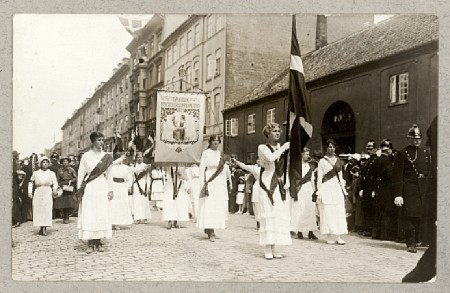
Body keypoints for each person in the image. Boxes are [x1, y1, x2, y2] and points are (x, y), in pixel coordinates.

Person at [77, 131, 125, 254]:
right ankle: (90, 243)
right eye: (99, 140)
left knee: (101, 213)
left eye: (102, 140)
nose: (101, 142)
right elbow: (80, 174)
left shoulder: (106, 157)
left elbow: (109, 174)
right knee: (89, 213)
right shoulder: (85, 156)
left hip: (102, 186)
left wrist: (110, 190)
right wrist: (79, 190)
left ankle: (98, 242)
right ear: (92, 141)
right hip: (90, 186)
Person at [392, 124, 431, 253]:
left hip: (422, 188)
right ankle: (411, 243)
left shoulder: (425, 152)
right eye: (414, 138)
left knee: (420, 216)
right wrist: (398, 194)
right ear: (408, 139)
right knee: (409, 216)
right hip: (409, 189)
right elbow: (397, 176)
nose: (417, 141)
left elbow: (429, 171)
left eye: (419, 138)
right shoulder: (402, 154)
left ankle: (419, 240)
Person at [257, 123, 291, 259]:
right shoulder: (262, 147)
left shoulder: (279, 148)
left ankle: (276, 246)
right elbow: (271, 159)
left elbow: (284, 166)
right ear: (268, 134)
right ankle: (267, 248)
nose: (277, 133)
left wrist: (286, 181)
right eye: (274, 131)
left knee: (278, 215)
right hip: (267, 182)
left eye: (278, 131)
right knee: (268, 214)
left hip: (279, 182)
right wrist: (283, 148)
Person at [197, 135, 230, 242]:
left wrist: (226, 183)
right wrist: (203, 182)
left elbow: (224, 169)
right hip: (210, 179)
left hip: (219, 181)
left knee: (217, 205)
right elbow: (202, 168)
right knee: (209, 204)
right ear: (210, 142)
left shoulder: (221, 154)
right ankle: (210, 230)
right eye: (214, 141)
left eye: (217, 141)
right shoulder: (206, 153)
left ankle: (213, 227)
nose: (216, 142)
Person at [316, 139, 348, 245]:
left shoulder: (338, 160)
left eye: (333, 147)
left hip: (336, 188)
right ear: (326, 148)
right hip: (326, 187)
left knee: (338, 211)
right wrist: (319, 192)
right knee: (328, 212)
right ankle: (329, 235)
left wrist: (343, 190)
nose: (332, 149)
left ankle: (338, 236)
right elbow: (319, 178)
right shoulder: (322, 161)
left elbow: (341, 176)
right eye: (330, 147)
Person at [290, 147, 318, 240]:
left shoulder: (310, 166)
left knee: (310, 209)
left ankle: (311, 232)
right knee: (300, 209)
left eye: (308, 154)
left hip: (309, 189)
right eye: (306, 154)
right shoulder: (297, 166)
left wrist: (314, 192)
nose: (308, 156)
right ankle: (300, 231)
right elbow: (293, 179)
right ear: (301, 154)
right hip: (300, 189)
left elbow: (312, 179)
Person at [28, 156, 59, 236]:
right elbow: (31, 182)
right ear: (40, 164)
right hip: (38, 191)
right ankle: (41, 228)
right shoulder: (36, 173)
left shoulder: (51, 173)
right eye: (43, 162)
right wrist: (30, 192)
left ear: (48, 164)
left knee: (46, 209)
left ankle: (44, 228)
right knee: (38, 209)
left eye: (46, 162)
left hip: (47, 191)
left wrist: (54, 189)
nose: (45, 164)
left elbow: (55, 183)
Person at [372, 139, 396, 240]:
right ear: (388, 150)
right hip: (387, 190)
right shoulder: (387, 162)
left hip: (378, 188)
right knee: (386, 212)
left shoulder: (376, 160)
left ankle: (375, 234)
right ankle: (384, 235)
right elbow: (390, 176)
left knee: (378, 212)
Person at [233, 158, 262, 229]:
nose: (259, 161)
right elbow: (245, 166)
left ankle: (265, 221)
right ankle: (258, 221)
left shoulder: (266, 166)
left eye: (260, 160)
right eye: (257, 159)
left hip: (266, 186)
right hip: (258, 185)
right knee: (256, 203)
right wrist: (237, 162)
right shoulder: (254, 168)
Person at [109, 152, 134, 230]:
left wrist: (128, 186)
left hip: (122, 186)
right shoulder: (111, 167)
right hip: (114, 186)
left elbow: (130, 178)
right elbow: (108, 178)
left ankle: (119, 221)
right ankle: (112, 222)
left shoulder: (126, 167)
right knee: (113, 203)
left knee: (122, 203)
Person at [360, 140, 378, 237]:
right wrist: (362, 188)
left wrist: (374, 189)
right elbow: (364, 175)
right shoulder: (367, 160)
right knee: (366, 208)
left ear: (375, 149)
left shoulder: (375, 160)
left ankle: (371, 229)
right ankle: (366, 228)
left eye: (371, 149)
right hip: (367, 186)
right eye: (368, 149)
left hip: (372, 186)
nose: (369, 151)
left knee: (371, 209)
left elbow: (376, 176)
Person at [130, 152, 152, 224]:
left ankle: (144, 217)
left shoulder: (146, 166)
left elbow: (148, 177)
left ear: (143, 158)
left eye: (141, 157)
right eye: (138, 157)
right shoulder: (133, 166)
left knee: (144, 201)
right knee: (136, 201)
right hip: (136, 185)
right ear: (136, 158)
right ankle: (137, 218)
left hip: (144, 184)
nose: (139, 159)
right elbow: (131, 177)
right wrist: (130, 186)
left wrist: (148, 187)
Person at [55, 157, 77, 224]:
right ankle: (64, 215)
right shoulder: (59, 170)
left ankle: (67, 216)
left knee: (69, 202)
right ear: (62, 163)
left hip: (69, 186)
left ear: (68, 162)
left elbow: (75, 177)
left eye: (66, 161)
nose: (65, 163)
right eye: (64, 161)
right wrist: (58, 186)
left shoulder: (71, 170)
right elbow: (57, 179)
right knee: (62, 202)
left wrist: (71, 180)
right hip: (62, 185)